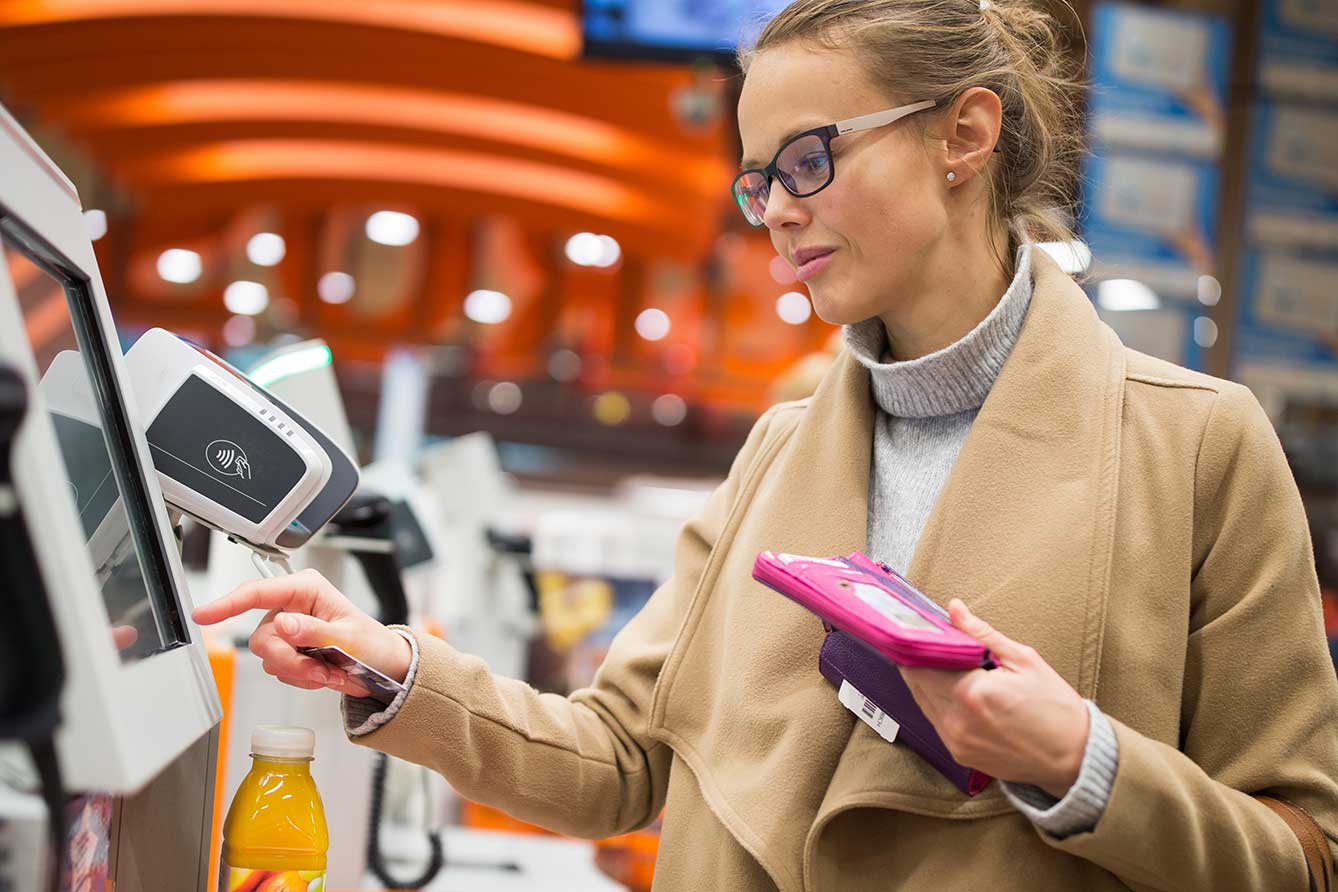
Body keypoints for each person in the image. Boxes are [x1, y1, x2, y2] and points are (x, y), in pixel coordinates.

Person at [194, 1, 1338, 888]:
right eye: (759, 180)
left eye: (809, 159)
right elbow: (624, 756)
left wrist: (1082, 761)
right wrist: (396, 666)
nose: (779, 210)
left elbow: (1302, 853)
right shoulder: (782, 449)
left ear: (966, 132)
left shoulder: (1198, 448)